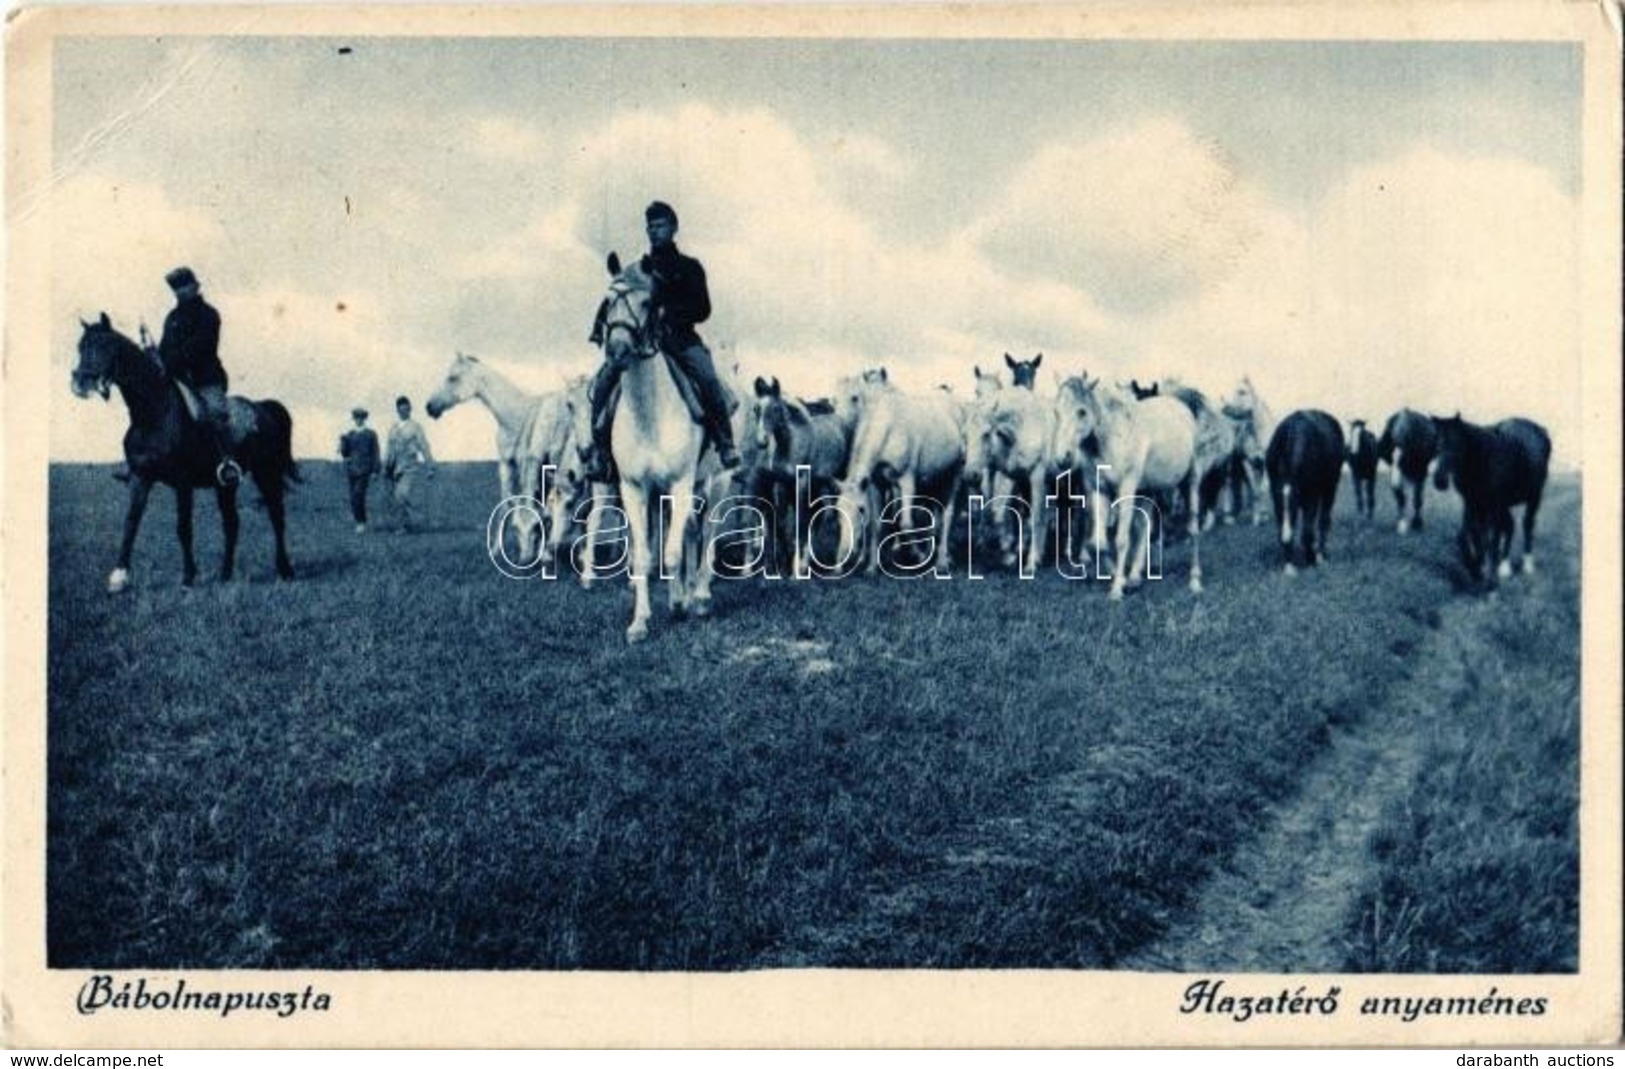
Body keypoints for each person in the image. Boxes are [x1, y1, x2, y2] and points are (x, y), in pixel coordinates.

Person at [581, 200, 740, 482]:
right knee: (603, 383)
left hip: (680, 340)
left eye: (660, 226)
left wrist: (670, 314)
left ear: (673, 228)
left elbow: (703, 309)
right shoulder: (634, 271)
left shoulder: (690, 267)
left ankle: (725, 443)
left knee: (708, 377)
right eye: (650, 227)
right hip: (639, 344)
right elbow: (614, 299)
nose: (654, 231)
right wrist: (599, 328)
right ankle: (600, 453)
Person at [157, 266, 241, 486]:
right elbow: (164, 347)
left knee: (214, 414)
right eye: (177, 289)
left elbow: (202, 345)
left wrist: (173, 359)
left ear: (195, 286)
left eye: (185, 287)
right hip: (177, 380)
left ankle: (227, 464)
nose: (181, 292)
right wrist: (157, 357)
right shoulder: (172, 318)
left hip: (206, 379)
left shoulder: (209, 315)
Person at [383, 395, 436, 533]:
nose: (404, 412)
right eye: (401, 410)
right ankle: (408, 524)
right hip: (394, 467)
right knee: (396, 498)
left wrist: (430, 466)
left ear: (410, 409)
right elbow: (389, 448)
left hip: (409, 467)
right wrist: (384, 467)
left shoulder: (415, 427)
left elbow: (424, 446)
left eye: (406, 409)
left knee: (402, 494)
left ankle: (402, 527)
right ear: (397, 410)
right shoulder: (393, 428)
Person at [338, 406, 382, 533]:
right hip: (352, 470)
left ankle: (361, 522)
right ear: (354, 419)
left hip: (365, 470)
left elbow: (376, 452)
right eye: (356, 417)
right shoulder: (349, 434)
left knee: (358, 495)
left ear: (364, 418)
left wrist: (375, 470)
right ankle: (359, 520)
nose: (358, 419)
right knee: (353, 498)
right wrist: (342, 443)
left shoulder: (371, 434)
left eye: (361, 417)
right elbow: (345, 453)